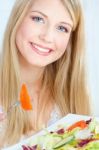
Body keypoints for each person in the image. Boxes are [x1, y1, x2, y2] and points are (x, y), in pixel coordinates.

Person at [0, 0, 92, 147]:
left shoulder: (74, 97)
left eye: (62, 28)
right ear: (18, 17)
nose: (47, 37)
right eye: (38, 19)